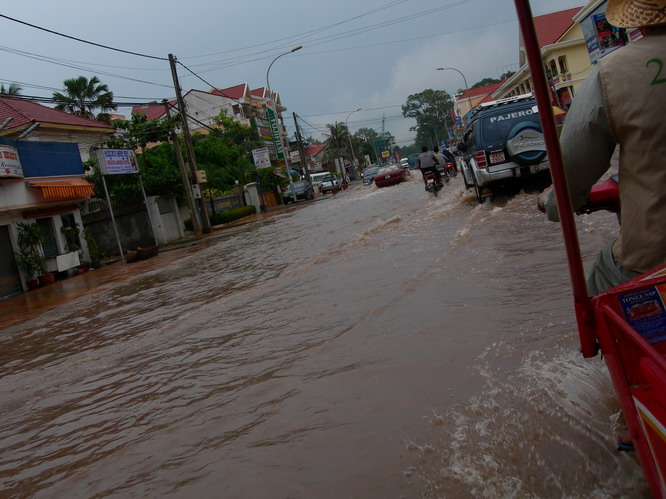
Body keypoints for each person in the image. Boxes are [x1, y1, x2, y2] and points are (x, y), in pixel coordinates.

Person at [537, 0, 666, 295]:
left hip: (655, 254)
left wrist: (554, 202)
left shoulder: (612, 72)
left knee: (600, 278)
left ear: (640, 21)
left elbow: (574, 166)